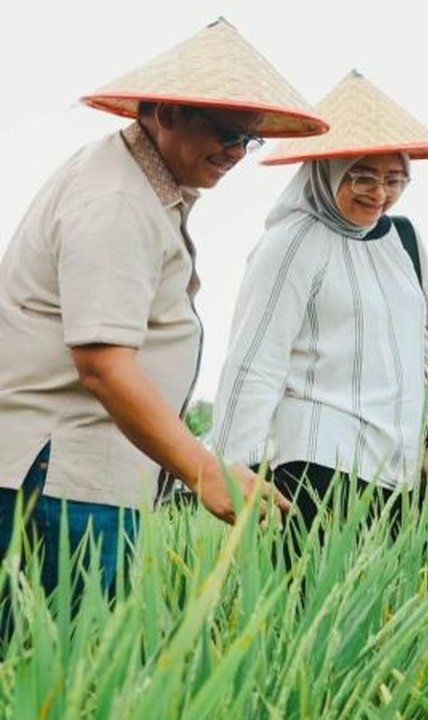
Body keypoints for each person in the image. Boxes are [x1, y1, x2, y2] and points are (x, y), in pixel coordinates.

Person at [0, 18, 321, 600]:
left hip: (80, 477)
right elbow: (103, 362)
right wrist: (203, 469)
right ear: (167, 113)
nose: (236, 153)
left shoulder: (135, 184)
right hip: (60, 480)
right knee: (66, 672)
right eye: (227, 133)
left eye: (250, 141)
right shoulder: (117, 201)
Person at [212, 71, 428, 539]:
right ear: (327, 171)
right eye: (361, 176)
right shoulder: (292, 243)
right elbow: (256, 357)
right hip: (317, 463)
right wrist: (235, 466)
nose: (379, 193)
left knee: (385, 602)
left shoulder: (403, 239)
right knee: (315, 599)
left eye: (394, 179)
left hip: (396, 461)